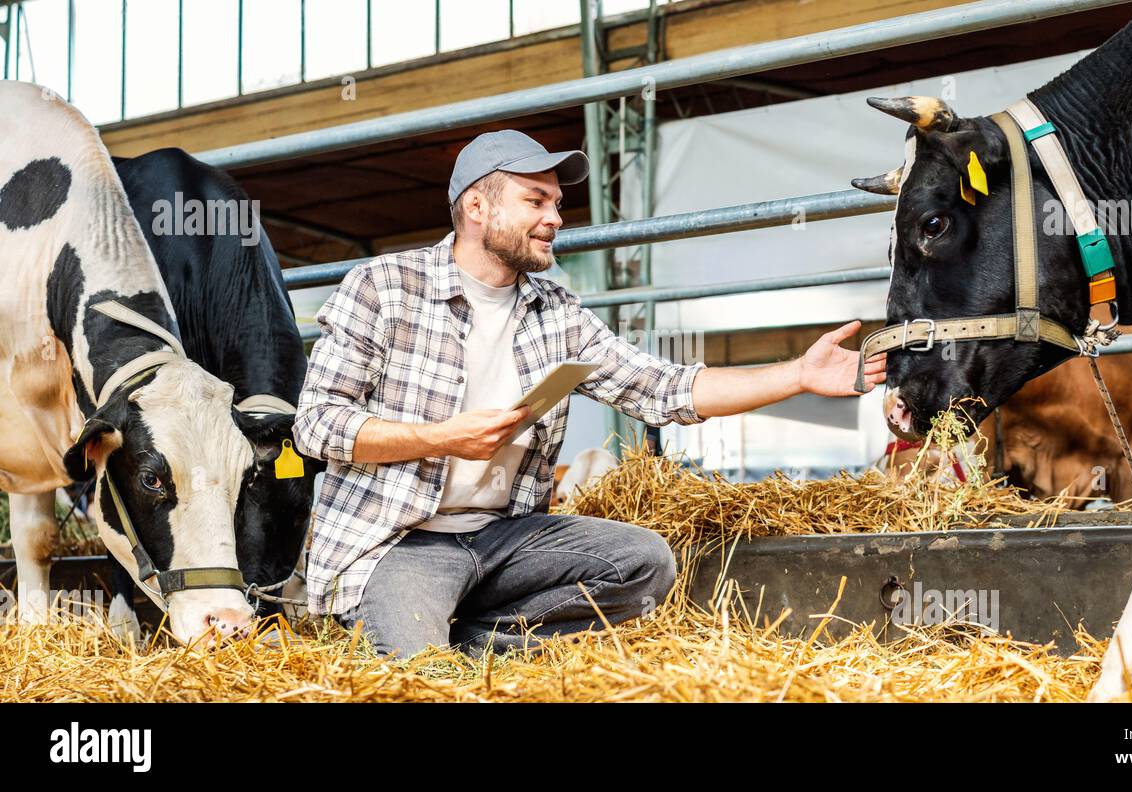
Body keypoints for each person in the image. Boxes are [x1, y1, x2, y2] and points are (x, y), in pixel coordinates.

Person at [292, 129, 887, 657]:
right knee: (418, 676)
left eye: (557, 202)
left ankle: (470, 642)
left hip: (504, 536)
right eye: (536, 201)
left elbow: (665, 389)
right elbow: (317, 426)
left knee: (644, 563)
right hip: (403, 539)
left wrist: (797, 375)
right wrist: (441, 439)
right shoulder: (384, 287)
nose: (555, 217)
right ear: (476, 206)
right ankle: (435, 638)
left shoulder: (557, 313)